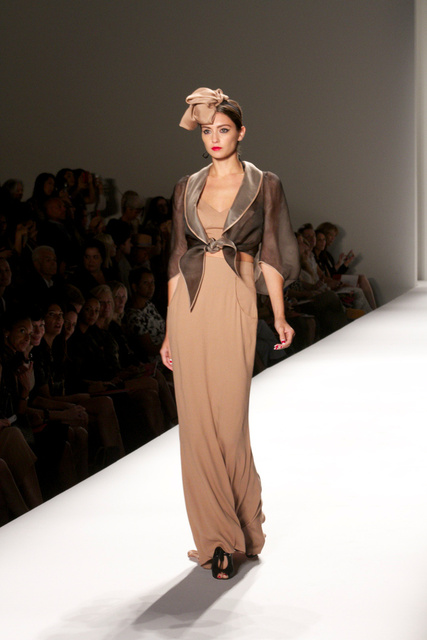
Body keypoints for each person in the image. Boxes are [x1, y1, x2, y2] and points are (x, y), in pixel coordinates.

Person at [160, 88, 299, 579]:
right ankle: (216, 540)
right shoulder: (187, 186)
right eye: (206, 130)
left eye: (223, 129)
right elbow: (178, 258)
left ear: (241, 132)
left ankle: (245, 524)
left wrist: (278, 316)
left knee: (230, 420)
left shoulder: (265, 185)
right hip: (190, 305)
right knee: (197, 423)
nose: (214, 138)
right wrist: (169, 331)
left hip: (237, 298)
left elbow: (273, 255)